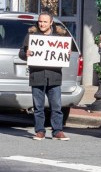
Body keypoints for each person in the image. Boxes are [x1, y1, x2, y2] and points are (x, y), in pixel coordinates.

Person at [20, 13, 69, 141]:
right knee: (38, 107)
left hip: (54, 76)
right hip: (37, 76)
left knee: (56, 106)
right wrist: (26, 54)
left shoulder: (59, 37)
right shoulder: (31, 36)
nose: (42, 24)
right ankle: (40, 131)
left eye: (45, 22)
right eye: (40, 21)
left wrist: (66, 53)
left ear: (51, 23)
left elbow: (65, 53)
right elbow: (21, 53)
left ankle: (57, 131)